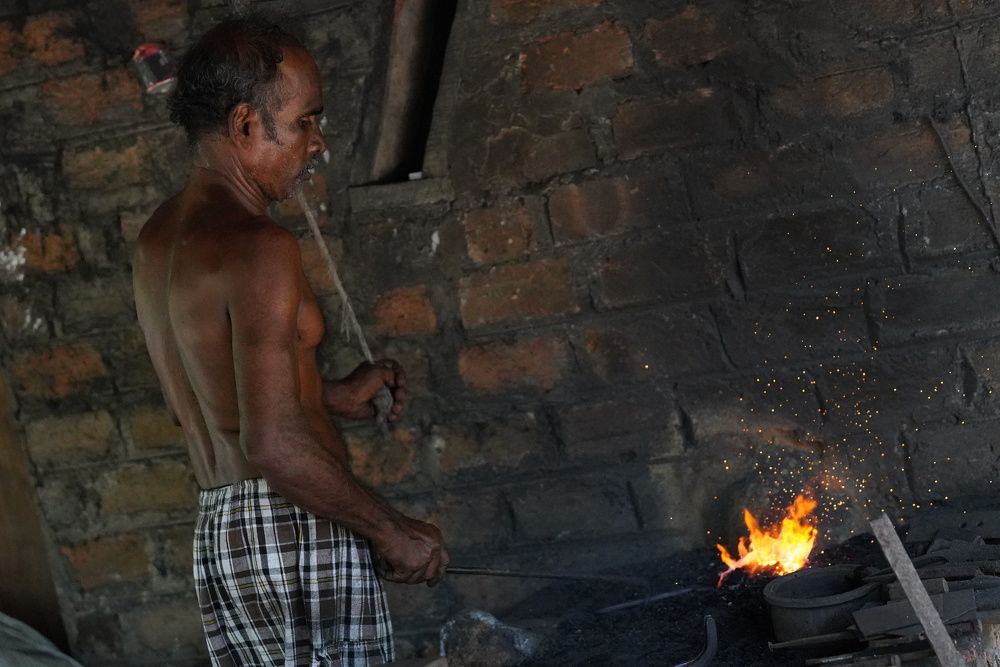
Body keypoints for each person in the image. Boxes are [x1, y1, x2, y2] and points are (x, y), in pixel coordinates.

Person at [130, 17, 449, 666]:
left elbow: (210, 396)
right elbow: (273, 444)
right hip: (292, 523)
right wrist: (392, 531)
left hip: (225, 535)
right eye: (305, 121)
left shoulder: (156, 239)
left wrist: (324, 393)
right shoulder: (259, 246)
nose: (317, 142)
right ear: (247, 125)